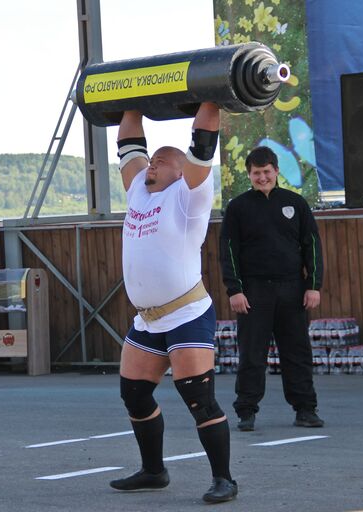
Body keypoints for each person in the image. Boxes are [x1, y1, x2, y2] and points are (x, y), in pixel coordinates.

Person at [108, 103, 237, 504]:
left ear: (181, 172)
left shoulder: (189, 196)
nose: (152, 164)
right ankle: (153, 470)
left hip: (186, 314)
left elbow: (203, 144)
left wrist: (210, 97)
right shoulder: (137, 193)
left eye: (161, 161)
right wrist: (133, 103)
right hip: (148, 321)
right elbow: (129, 143)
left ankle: (224, 480)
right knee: (134, 394)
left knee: (198, 398)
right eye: (152, 160)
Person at [219, 146, 325, 432]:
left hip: (293, 289)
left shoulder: (296, 203)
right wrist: (234, 290)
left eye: (267, 172)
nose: (262, 177)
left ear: (277, 171)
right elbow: (228, 251)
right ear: (249, 174)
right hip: (253, 291)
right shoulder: (238, 208)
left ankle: (305, 409)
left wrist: (313, 286)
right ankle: (247, 411)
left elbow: (311, 246)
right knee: (252, 353)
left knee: (297, 352)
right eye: (256, 173)